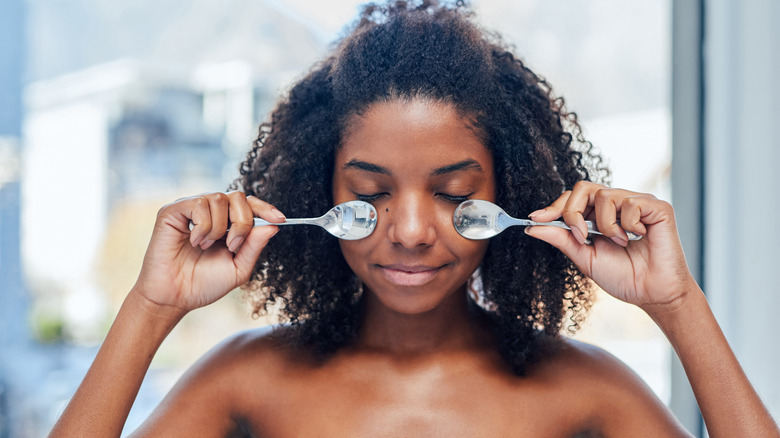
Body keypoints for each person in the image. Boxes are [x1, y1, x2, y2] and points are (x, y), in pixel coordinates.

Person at [50, 1, 778, 436]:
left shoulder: (584, 392)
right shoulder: (248, 382)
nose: (409, 231)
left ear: (510, 194)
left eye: (454, 193)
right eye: (371, 193)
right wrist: (152, 307)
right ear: (318, 191)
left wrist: (676, 304)